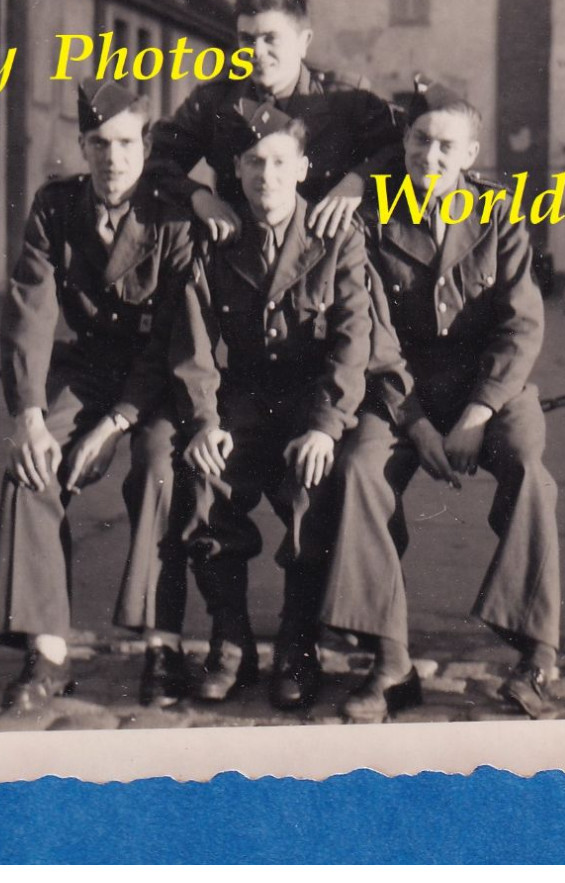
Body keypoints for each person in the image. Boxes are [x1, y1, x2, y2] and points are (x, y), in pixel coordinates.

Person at [324, 86, 563, 722]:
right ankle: (391, 660)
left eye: (446, 145)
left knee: (528, 467)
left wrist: (479, 414)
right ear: (403, 146)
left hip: (490, 389)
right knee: (358, 472)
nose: (431, 155)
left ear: (470, 155)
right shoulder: (369, 220)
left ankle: (537, 652)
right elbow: (373, 333)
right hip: (402, 389)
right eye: (420, 141)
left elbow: (521, 326)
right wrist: (416, 423)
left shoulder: (499, 214)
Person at [0, 79, 197, 712]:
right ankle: (47, 650)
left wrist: (114, 427)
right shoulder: (55, 207)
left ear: (146, 144)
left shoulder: (172, 215)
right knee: (32, 469)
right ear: (81, 145)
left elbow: (174, 338)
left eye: (126, 143)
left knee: (161, 466)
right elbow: (28, 311)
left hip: (153, 384)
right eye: (99, 144)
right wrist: (27, 414)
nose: (112, 158)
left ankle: (163, 644)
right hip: (84, 374)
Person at [169, 101, 378, 712]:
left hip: (311, 399)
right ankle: (231, 639)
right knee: (204, 473)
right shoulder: (215, 240)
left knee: (313, 485)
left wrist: (326, 426)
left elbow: (351, 340)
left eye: (279, 162)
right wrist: (204, 421)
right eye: (255, 162)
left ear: (303, 167)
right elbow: (196, 342)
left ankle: (297, 641)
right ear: (236, 167)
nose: (267, 175)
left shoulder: (337, 237)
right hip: (243, 398)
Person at [147, 0, 404, 242]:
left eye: (271, 39)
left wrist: (359, 181)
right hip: (242, 257)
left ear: (304, 41)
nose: (256, 52)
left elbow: (405, 148)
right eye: (247, 39)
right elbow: (152, 157)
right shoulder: (215, 101)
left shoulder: (345, 98)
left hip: (329, 254)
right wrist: (197, 196)